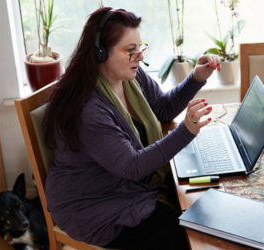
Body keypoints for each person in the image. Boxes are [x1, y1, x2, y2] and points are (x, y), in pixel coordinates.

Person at [43, 7, 221, 250]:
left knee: (204, 198)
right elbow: (133, 166)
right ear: (100, 52)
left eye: (140, 47)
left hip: (127, 184)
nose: (139, 56)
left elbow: (163, 108)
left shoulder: (130, 76)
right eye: (129, 50)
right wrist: (186, 131)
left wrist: (196, 78)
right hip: (92, 205)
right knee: (182, 234)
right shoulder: (88, 109)